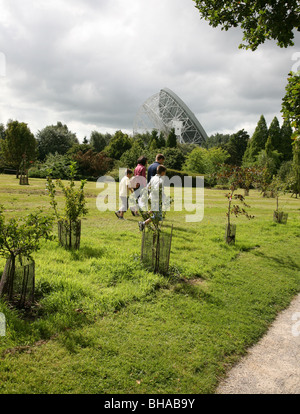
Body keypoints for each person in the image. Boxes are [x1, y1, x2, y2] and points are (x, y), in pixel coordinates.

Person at [138, 164, 167, 231]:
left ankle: (156, 228)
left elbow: (148, 187)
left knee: (156, 213)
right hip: (156, 199)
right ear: (163, 172)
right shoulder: (160, 180)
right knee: (158, 217)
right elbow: (159, 191)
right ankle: (143, 223)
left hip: (151, 198)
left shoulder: (153, 178)